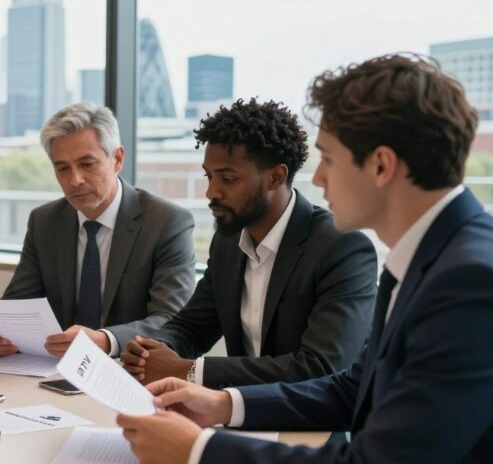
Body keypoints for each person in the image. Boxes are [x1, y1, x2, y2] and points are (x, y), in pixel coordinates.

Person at [116, 54, 493, 464]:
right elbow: (354, 387)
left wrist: (199, 453)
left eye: (329, 159)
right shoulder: (430, 255)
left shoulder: (471, 282)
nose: (316, 177)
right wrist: (223, 404)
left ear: (380, 165)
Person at [120, 98, 376, 389]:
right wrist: (151, 352)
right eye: (209, 176)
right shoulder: (228, 242)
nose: (211, 192)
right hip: (237, 415)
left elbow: (321, 366)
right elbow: (192, 327)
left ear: (276, 177)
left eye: (228, 179)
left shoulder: (342, 248)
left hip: (319, 428)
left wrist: (189, 371)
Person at [0, 102, 196, 359]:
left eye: (87, 164)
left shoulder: (166, 223)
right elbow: (18, 307)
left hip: (130, 371)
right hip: (55, 371)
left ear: (117, 159)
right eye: (62, 168)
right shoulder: (44, 222)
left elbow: (171, 320)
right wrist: (1, 334)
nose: (75, 180)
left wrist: (106, 340)